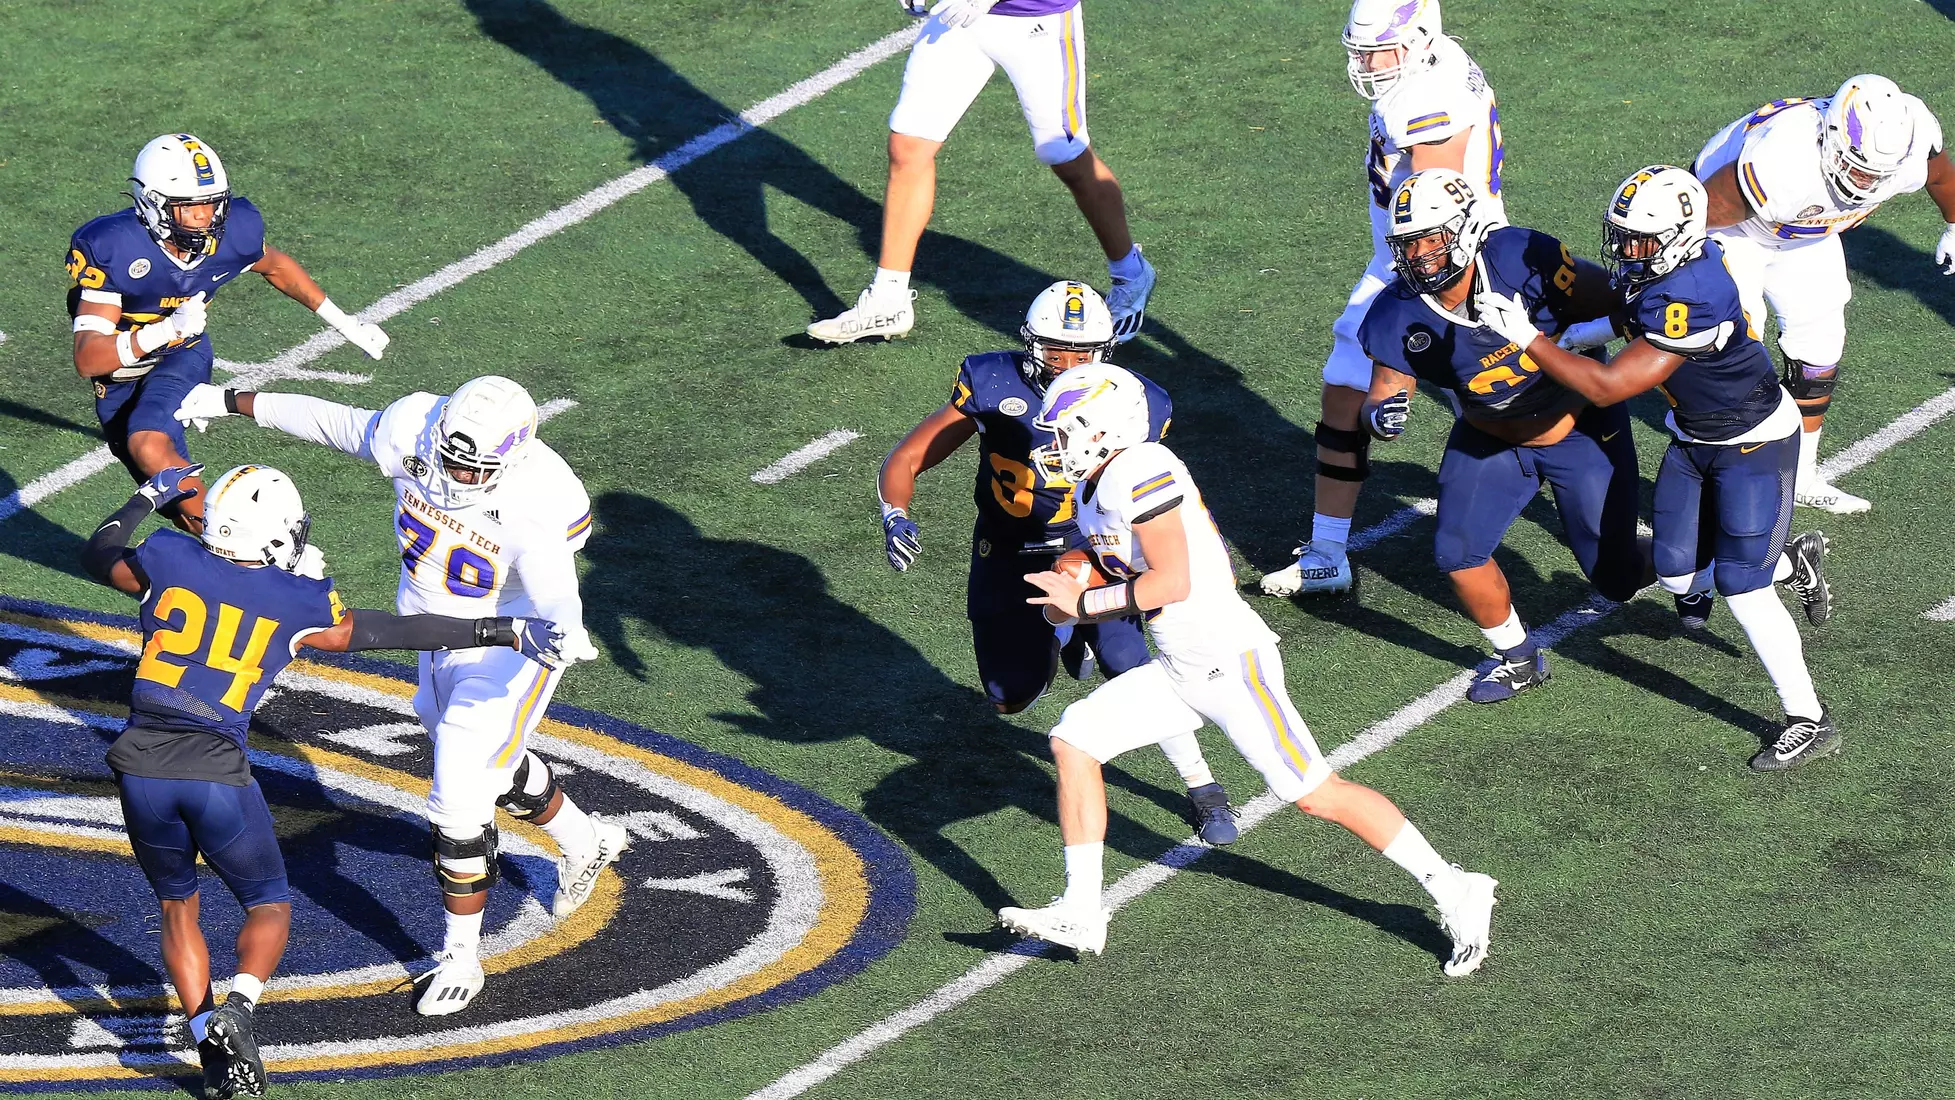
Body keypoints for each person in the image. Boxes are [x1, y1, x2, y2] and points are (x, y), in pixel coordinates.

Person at [80, 463, 561, 1097]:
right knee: (267, 901)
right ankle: (240, 1008)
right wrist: (500, 628)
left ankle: (208, 1043)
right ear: (275, 536)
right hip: (215, 768)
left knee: (178, 903)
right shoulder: (298, 600)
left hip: (139, 764)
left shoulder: (167, 555)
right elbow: (379, 631)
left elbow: (101, 553)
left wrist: (150, 494)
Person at [996, 364, 1497, 973]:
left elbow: (1170, 582)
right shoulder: (1097, 481)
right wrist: (1075, 570)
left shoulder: (1141, 468)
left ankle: (1455, 887)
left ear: (1105, 430)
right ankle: (1081, 907)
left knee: (1314, 794)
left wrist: (1085, 603)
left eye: (1068, 431)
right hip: (1183, 665)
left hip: (1230, 664)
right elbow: (1102, 549)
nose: (1056, 445)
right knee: (1074, 739)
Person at [173, 376, 617, 1017]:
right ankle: (583, 837)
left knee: (460, 791)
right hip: (430, 633)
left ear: (512, 458)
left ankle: (461, 955)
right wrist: (235, 399)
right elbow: (335, 423)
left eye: (475, 466)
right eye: (452, 456)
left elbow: (554, 587)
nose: (457, 475)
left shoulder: (540, 497)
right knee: (486, 763)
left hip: (510, 645)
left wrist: (564, 629)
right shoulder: (414, 426)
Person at [1488, 166, 1839, 771]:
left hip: (1753, 437)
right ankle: (1792, 562)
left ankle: (1807, 716)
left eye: (1639, 239)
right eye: (1620, 234)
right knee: (1678, 574)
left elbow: (1610, 386)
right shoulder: (1659, 270)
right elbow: (1632, 318)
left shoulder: (1694, 290)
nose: (1625, 249)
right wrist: (1577, 334)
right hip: (1692, 435)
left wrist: (1532, 340)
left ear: (1678, 235)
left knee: (1741, 588)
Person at [879, 281, 1237, 844]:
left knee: (1132, 663)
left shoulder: (1135, 402)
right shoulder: (994, 383)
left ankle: (1204, 788)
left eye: (1082, 353)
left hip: (1094, 543)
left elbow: (1154, 490)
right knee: (1007, 695)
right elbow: (911, 453)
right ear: (1029, 343)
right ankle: (1065, 635)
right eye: (1053, 349)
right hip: (1008, 548)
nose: (1068, 364)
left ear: (1106, 351)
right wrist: (894, 510)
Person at [1358, 168, 1646, 703]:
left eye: (1429, 239)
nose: (1417, 256)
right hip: (1490, 436)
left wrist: (1590, 343)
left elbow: (1614, 301)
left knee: (1615, 576)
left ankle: (1711, 556)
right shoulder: (1395, 313)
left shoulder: (1520, 260)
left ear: (1466, 230)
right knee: (1457, 552)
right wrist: (1381, 414)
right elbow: (1386, 387)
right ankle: (1518, 657)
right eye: (1406, 244)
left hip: (1577, 427)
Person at [1262, 0, 1506, 598]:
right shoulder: (1432, 63)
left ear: (1420, 40)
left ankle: (1621, 519)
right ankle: (1327, 550)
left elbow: (1433, 207)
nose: (1367, 64)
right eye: (1360, 50)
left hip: (1447, 264)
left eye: (1379, 50)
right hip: (1411, 259)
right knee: (1344, 389)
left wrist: (1400, 345)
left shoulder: (1429, 98)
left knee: (1515, 404)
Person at [67, 133, 389, 533]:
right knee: (171, 497)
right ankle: (222, 555)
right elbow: (89, 358)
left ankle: (254, 553)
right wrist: (163, 328)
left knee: (148, 444)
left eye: (211, 203)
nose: (205, 217)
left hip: (181, 354)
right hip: (119, 368)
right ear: (152, 205)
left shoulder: (234, 232)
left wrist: (344, 322)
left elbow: (275, 266)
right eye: (189, 207)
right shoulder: (115, 246)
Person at [805, 0, 1154, 345]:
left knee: (1065, 155)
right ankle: (887, 299)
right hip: (960, 15)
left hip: (1037, 18)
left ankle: (1130, 274)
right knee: (908, 145)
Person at [1693, 74, 1955, 514]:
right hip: (1735, 227)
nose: (1865, 183)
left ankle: (1804, 474)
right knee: (1731, 351)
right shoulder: (1782, 160)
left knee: (1820, 348)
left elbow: (1940, 174)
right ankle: (1718, 476)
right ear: (1830, 137)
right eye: (1856, 166)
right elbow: (1703, 213)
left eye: (1876, 173)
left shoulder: (1909, 143)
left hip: (1804, 235)